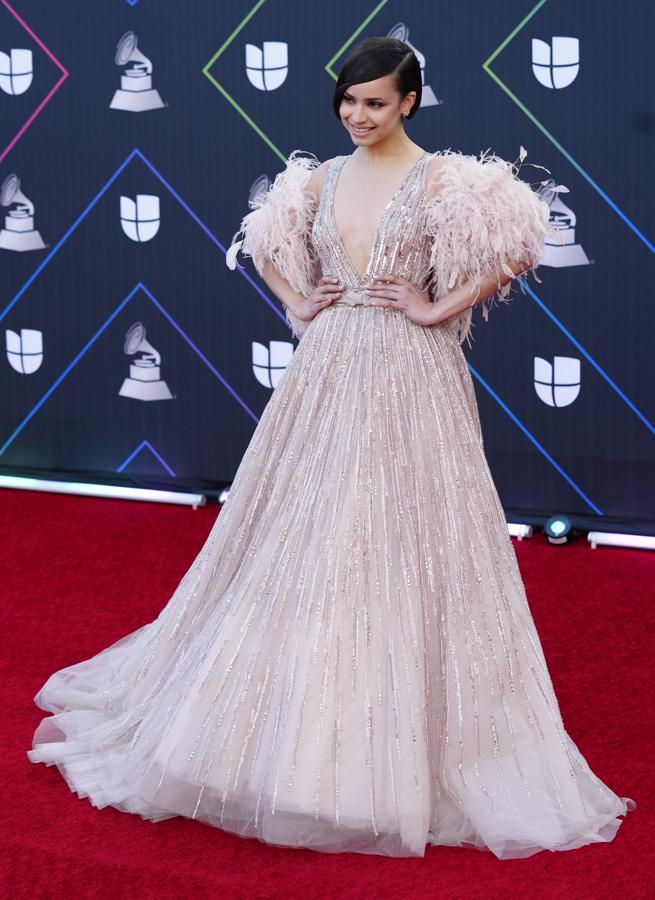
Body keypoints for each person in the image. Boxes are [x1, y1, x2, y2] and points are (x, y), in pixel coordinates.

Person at [27, 36, 635, 859]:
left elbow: (519, 246)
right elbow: (264, 241)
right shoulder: (318, 178)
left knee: (402, 540)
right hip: (325, 374)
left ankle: (394, 738)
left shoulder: (449, 179)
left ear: (409, 103)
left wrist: (433, 306)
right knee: (306, 535)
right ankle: (292, 727)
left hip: (412, 376)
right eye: (347, 102)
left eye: (375, 102)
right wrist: (297, 301)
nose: (357, 116)